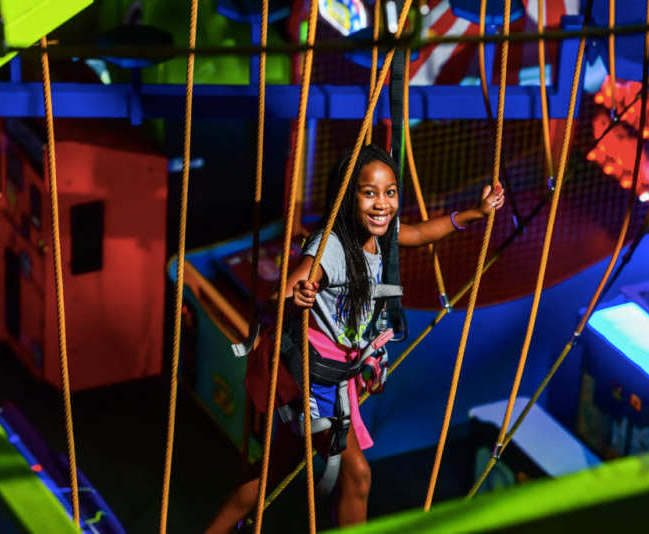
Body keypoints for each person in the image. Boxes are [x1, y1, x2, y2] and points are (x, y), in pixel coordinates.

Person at [205, 144, 504, 532]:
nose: (382, 204)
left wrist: (474, 213)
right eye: (369, 193)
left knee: (270, 473)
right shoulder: (330, 246)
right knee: (357, 475)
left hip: (335, 376)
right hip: (311, 378)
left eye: (390, 192)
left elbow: (418, 233)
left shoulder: (379, 233)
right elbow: (279, 298)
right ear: (348, 197)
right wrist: (297, 297)